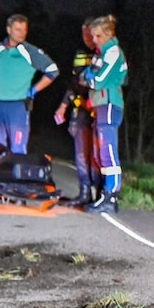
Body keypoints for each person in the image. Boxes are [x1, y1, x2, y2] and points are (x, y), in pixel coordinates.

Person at [0, 14, 59, 154]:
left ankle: (18, 175)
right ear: (9, 30)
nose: (22, 33)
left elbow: (53, 71)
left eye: (24, 30)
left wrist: (34, 90)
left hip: (18, 106)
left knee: (18, 148)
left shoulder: (30, 51)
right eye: (18, 29)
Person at [82, 14, 128, 214]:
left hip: (109, 104)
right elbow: (85, 77)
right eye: (93, 36)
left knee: (107, 152)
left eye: (98, 36)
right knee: (100, 152)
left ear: (109, 34)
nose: (95, 40)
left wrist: (88, 76)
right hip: (100, 105)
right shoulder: (102, 53)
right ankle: (105, 192)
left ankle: (111, 195)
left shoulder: (112, 52)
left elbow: (95, 80)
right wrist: (87, 76)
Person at [54, 18, 100, 206]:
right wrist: (64, 105)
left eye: (90, 33)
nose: (87, 37)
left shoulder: (105, 54)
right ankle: (84, 192)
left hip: (99, 108)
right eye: (84, 33)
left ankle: (99, 193)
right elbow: (74, 83)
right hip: (80, 109)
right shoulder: (80, 54)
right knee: (81, 153)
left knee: (97, 154)